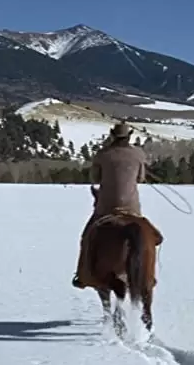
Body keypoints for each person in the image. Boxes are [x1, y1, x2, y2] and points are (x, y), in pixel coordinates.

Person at [72, 122, 148, 289]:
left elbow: (95, 180)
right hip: (132, 208)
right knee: (153, 237)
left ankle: (82, 274)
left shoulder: (102, 154)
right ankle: (148, 275)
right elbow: (141, 178)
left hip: (106, 207)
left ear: (113, 136)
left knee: (86, 237)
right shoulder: (138, 154)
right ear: (129, 137)